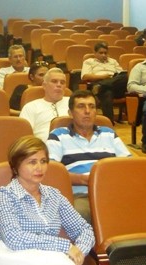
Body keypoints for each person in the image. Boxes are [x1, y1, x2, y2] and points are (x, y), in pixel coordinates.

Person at [0, 135, 107, 265]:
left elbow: (84, 229)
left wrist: (77, 253)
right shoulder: (5, 196)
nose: (39, 167)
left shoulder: (53, 195)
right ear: (15, 166)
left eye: (43, 161)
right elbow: (15, 239)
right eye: (32, 162)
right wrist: (65, 247)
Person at [46, 90, 131, 222]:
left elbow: (128, 165)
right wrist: (87, 180)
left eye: (92, 107)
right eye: (81, 106)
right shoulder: (58, 135)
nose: (87, 111)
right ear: (70, 113)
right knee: (78, 214)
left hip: (113, 192)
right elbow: (51, 173)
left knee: (143, 208)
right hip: (81, 195)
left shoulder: (108, 133)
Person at [20, 68, 70, 141]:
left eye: (62, 82)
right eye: (54, 81)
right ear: (44, 85)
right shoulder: (31, 107)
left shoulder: (74, 103)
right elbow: (24, 137)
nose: (59, 85)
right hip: (43, 148)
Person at [81, 42, 126, 124]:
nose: (104, 55)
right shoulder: (89, 62)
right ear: (95, 53)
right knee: (107, 93)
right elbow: (85, 76)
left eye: (105, 53)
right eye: (101, 53)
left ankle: (102, 86)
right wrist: (103, 77)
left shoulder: (113, 61)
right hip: (99, 82)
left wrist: (112, 79)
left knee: (126, 76)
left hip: (114, 84)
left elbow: (121, 74)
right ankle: (109, 122)